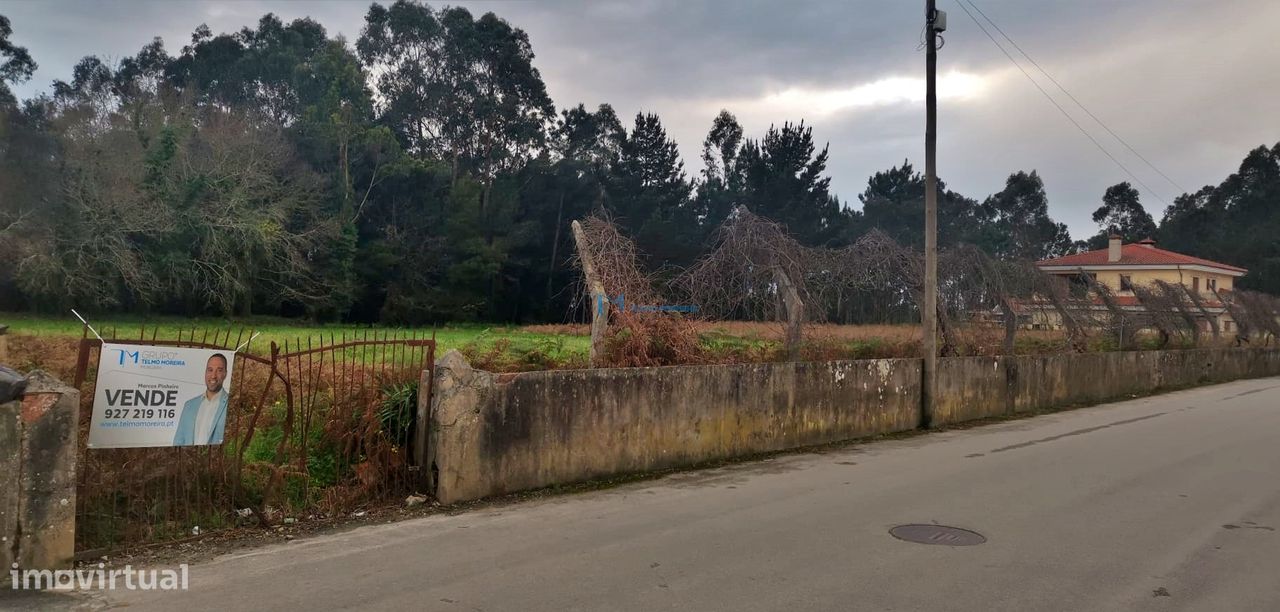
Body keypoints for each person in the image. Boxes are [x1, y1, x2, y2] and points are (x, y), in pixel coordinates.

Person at [173, 353, 229, 446]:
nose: (213, 376)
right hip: (189, 460)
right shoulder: (189, 405)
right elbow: (178, 441)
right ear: (205, 372)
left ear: (225, 374)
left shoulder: (232, 404)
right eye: (210, 370)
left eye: (219, 370)